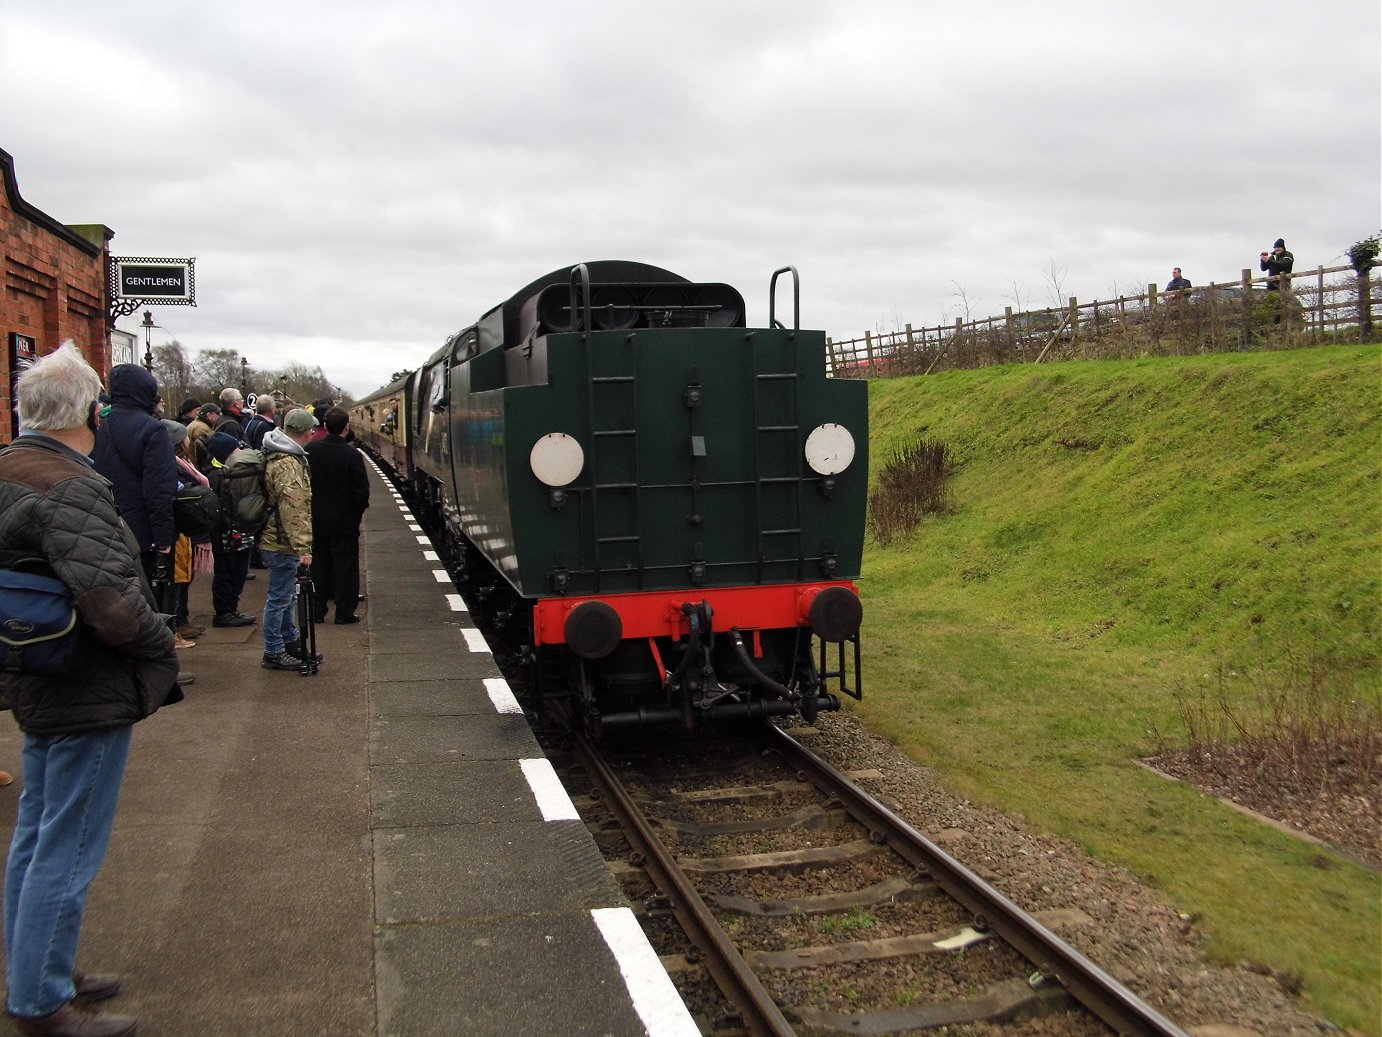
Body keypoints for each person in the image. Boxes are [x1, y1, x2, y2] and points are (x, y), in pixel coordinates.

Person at [0, 341, 181, 1037]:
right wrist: (160, 649)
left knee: (37, 833)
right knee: (68, 845)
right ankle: (42, 1002)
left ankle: (36, 968)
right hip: (84, 683)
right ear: (92, 413)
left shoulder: (11, 469)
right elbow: (113, 604)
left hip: (36, 672)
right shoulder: (70, 485)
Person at [90, 364, 178, 588]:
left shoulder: (97, 425)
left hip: (100, 526)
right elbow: (159, 489)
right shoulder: (153, 430)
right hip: (140, 532)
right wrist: (164, 538)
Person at [260, 409, 322, 670]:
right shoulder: (288, 462)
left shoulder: (282, 454)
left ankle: (290, 641)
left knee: (286, 597)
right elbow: (293, 508)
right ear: (307, 432)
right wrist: (303, 546)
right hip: (281, 541)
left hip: (278, 538)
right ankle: (274, 650)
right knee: (280, 598)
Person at [306, 407, 370, 625]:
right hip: (344, 522)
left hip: (316, 519)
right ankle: (344, 613)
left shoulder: (311, 450)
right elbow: (361, 491)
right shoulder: (352, 454)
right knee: (345, 569)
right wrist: (355, 514)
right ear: (346, 427)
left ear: (324, 426)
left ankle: (316, 611)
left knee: (318, 568)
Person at [204, 432, 256, 628]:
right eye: (236, 449)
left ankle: (230, 608)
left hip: (235, 533)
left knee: (237, 571)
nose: (240, 452)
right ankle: (225, 611)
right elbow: (224, 506)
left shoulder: (224, 471)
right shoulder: (218, 475)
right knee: (228, 572)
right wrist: (232, 527)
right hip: (228, 534)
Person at [186, 403, 220, 473]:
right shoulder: (202, 429)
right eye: (218, 414)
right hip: (197, 470)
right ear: (209, 415)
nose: (220, 417)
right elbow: (201, 453)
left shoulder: (195, 424)